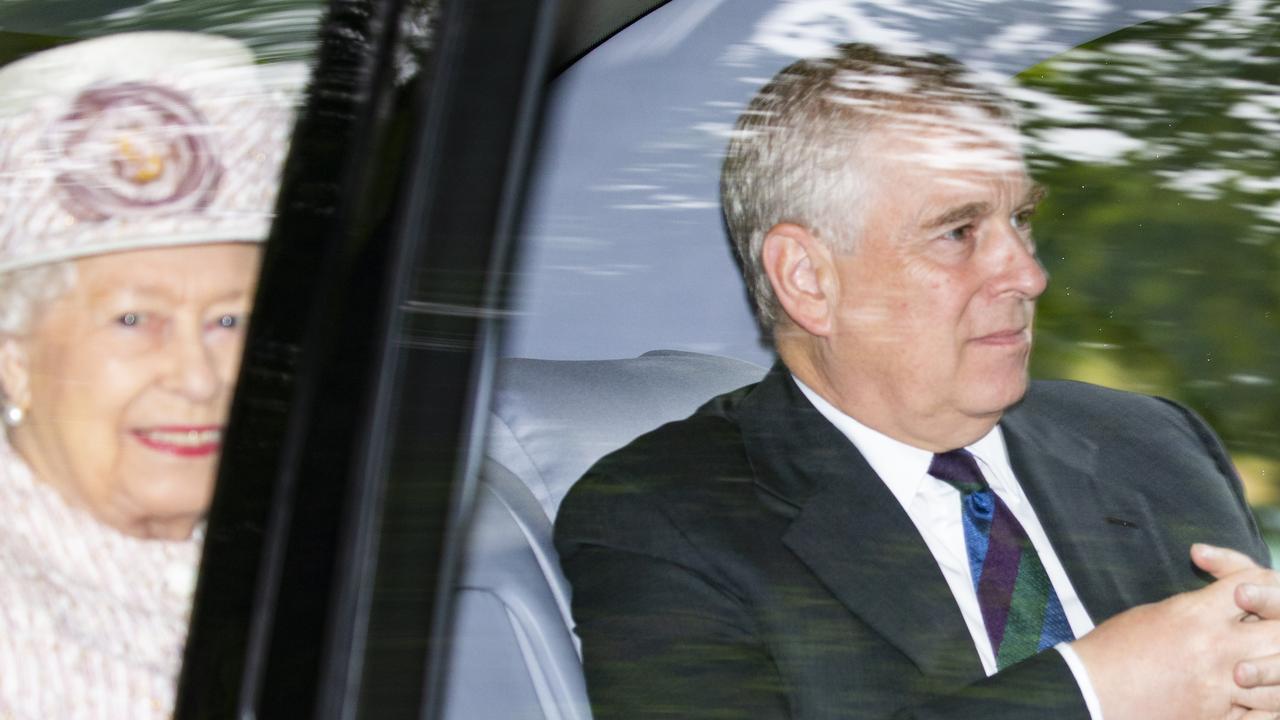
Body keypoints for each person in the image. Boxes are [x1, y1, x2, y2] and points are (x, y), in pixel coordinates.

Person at [554, 43, 1280, 719]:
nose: (1029, 274)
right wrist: (1093, 691)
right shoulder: (666, 519)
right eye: (958, 232)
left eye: (1020, 218)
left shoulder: (1152, 444)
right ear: (809, 279)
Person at [0, 32, 300, 718]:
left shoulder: (305, 539)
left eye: (230, 321)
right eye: (135, 321)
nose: (199, 379)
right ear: (14, 360)